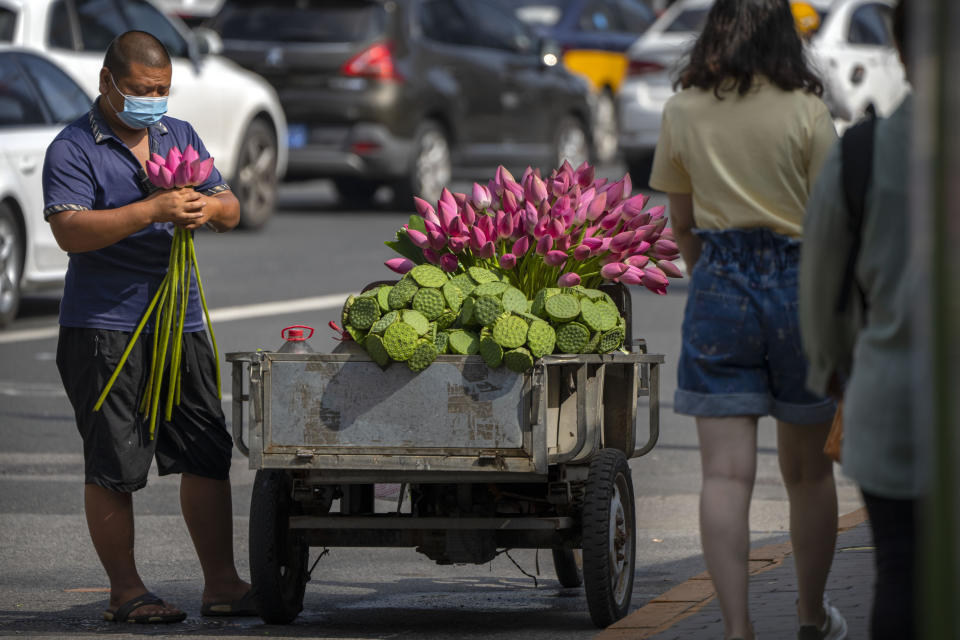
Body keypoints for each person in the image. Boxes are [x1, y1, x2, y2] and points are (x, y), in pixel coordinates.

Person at [648, 1, 845, 639]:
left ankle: (736, 629)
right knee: (809, 473)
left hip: (720, 285)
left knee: (725, 477)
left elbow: (681, 225)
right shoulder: (807, 113)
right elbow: (832, 227)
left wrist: (715, 276)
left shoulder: (683, 111)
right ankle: (811, 619)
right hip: (800, 288)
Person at [42, 31, 253, 624]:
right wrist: (151, 211)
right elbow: (71, 232)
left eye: (161, 90)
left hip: (179, 322)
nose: (152, 100)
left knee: (207, 449)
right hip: (103, 327)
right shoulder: (74, 146)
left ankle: (223, 584)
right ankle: (126, 592)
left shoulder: (176, 134)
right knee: (115, 462)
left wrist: (206, 208)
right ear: (108, 82)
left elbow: (230, 207)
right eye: (140, 90)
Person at [800, 2, 919, 638]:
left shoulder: (863, 154)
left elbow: (820, 300)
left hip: (891, 404)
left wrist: (834, 373)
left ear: (898, 45)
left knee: (900, 571)